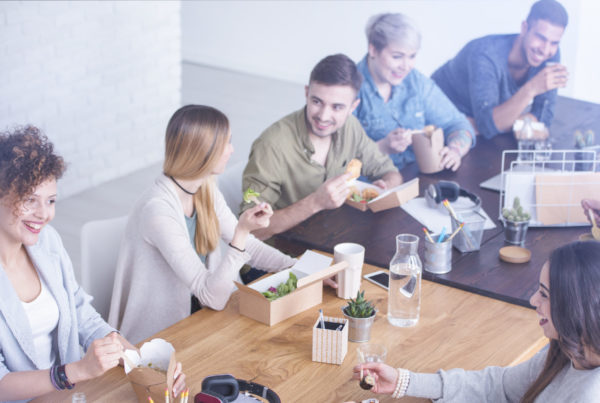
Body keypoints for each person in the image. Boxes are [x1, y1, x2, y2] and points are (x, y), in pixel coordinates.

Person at [0, 126, 185, 402]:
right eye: (29, 200)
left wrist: (143, 365)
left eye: (50, 201)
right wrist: (73, 372)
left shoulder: (46, 242)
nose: (44, 214)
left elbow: (81, 314)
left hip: (74, 393)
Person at [108, 105, 297, 344]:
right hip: (164, 338)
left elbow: (251, 247)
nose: (231, 150)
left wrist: (297, 269)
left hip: (204, 319)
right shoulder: (158, 211)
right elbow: (212, 296)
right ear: (202, 152)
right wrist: (241, 231)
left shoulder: (204, 187)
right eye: (225, 144)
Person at [351, 241, 600, 402]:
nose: (534, 300)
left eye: (545, 294)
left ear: (577, 307)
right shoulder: (566, 352)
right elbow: (499, 386)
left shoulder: (589, 394)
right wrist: (404, 381)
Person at [242, 54, 403, 240]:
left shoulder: (351, 126)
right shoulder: (271, 145)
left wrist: (385, 188)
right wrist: (315, 202)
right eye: (317, 102)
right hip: (280, 255)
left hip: (331, 239)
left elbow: (391, 173)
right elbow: (250, 229)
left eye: (337, 107)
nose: (324, 116)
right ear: (306, 93)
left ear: (353, 107)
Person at [354, 13, 475, 172]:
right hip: (372, 187)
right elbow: (336, 161)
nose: (406, 66)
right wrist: (382, 147)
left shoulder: (416, 82)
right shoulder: (349, 88)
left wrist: (455, 150)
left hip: (418, 179)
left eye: (412, 56)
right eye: (397, 57)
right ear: (373, 50)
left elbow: (459, 125)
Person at [431, 0, 569, 139]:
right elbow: (489, 126)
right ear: (524, 28)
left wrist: (500, 122)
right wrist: (531, 89)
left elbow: (544, 117)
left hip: (478, 124)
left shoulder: (550, 55)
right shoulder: (486, 55)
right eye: (540, 37)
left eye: (554, 42)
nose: (545, 50)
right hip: (440, 115)